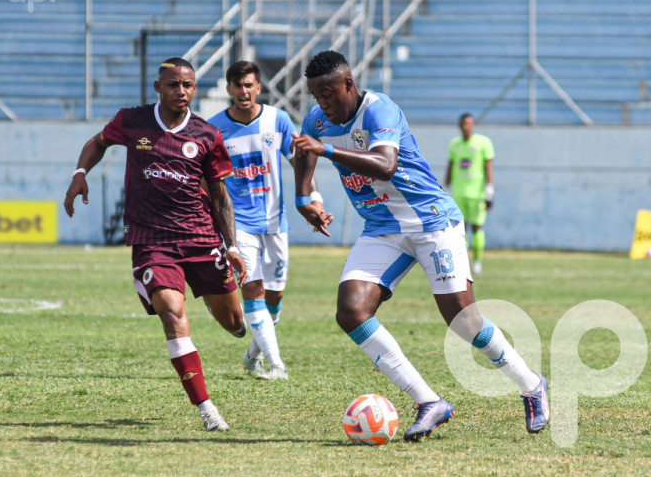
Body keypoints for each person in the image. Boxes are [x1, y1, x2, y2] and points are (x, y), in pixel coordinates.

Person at [291, 50, 548, 441]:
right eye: (316, 96)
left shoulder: (381, 111)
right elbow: (303, 151)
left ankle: (531, 384)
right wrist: (303, 198)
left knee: (464, 322)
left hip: (431, 221)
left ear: (349, 84)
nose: (323, 104)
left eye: (328, 93)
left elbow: (385, 164)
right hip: (381, 227)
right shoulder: (318, 119)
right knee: (351, 311)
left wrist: (325, 149)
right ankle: (429, 402)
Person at [63, 57, 248, 433]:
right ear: (158, 87)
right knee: (172, 313)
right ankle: (207, 409)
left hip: (201, 238)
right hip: (152, 240)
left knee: (235, 324)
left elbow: (219, 194)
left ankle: (215, 302)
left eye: (188, 85)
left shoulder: (207, 135)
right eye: (174, 85)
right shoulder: (133, 121)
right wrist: (80, 174)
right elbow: (97, 143)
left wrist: (232, 246)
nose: (181, 92)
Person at [207, 61, 328, 381]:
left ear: (258, 88)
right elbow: (208, 182)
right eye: (237, 86)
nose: (243, 91)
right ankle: (277, 366)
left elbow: (302, 167)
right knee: (254, 291)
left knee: (275, 296)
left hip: (276, 222)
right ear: (229, 90)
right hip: (239, 226)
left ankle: (252, 357)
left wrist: (315, 200)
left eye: (249, 85)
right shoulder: (214, 129)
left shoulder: (278, 120)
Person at [444, 113, 495, 275]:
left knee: (477, 227)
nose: (466, 126)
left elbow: (488, 167)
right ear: (459, 125)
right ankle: (462, 262)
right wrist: (445, 188)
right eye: (463, 123)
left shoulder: (483, 142)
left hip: (477, 194)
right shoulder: (455, 144)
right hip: (459, 194)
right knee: (460, 230)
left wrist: (489, 190)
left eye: (469, 123)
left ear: (473, 125)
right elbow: (450, 167)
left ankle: (477, 262)